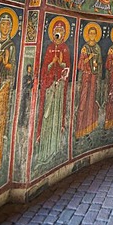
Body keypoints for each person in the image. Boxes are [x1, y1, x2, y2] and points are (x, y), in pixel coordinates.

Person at [36, 18, 71, 163]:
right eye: (57, 31)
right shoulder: (49, 48)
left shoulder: (65, 49)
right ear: (53, 33)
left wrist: (61, 63)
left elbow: (67, 69)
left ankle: (55, 147)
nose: (59, 33)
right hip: (49, 87)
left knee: (57, 115)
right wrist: (51, 63)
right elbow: (43, 69)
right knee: (47, 116)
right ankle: (44, 149)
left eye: (61, 31)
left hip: (59, 87)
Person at [0, 11, 16, 170]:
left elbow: (12, 67)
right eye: (2, 23)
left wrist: (6, 63)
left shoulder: (10, 46)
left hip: (3, 85)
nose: (5, 26)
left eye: (8, 24)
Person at [75, 24, 102, 139]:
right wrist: (89, 59)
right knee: (83, 102)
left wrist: (97, 65)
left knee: (92, 101)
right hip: (86, 78)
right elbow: (80, 64)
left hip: (93, 78)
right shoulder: (85, 48)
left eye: (94, 33)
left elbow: (100, 63)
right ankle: (80, 128)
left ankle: (90, 127)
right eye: (90, 33)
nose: (92, 35)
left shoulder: (97, 48)